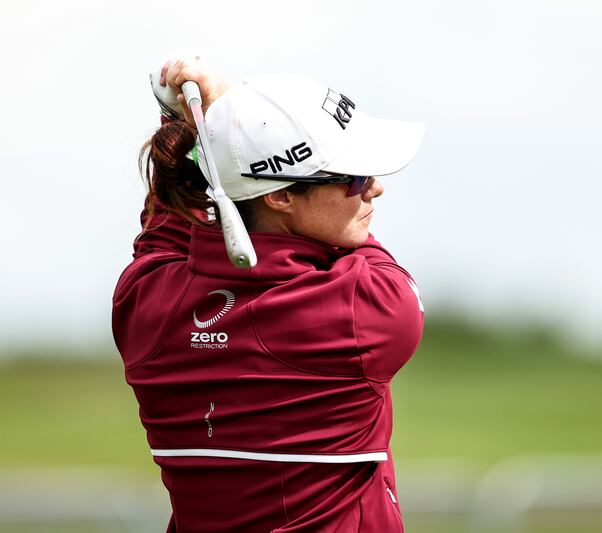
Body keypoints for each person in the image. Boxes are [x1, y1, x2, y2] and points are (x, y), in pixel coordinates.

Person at [112, 57, 425, 532]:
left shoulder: (145, 303)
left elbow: (170, 221)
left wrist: (210, 132)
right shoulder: (372, 309)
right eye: (354, 177)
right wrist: (205, 123)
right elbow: (364, 247)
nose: (374, 189)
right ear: (279, 196)